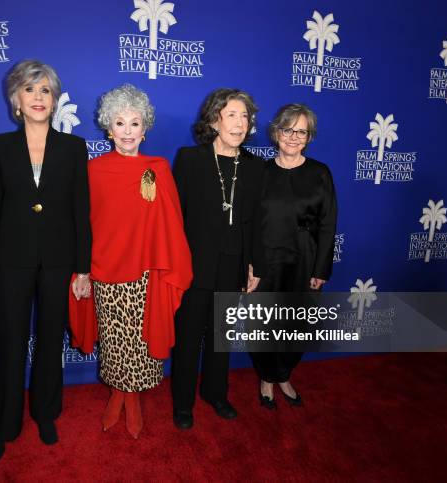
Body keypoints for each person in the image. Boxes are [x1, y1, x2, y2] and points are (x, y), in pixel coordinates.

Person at [0, 60, 91, 464]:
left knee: (48, 343)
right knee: (9, 344)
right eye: (30, 90)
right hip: (11, 261)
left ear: (55, 99)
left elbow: (82, 212)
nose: (38, 97)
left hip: (59, 262)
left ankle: (46, 413)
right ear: (16, 100)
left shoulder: (75, 148)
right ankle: (4, 425)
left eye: (45, 90)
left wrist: (83, 268)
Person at [68, 84, 192, 439]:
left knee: (139, 338)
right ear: (108, 129)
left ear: (144, 128)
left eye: (134, 123)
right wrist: (83, 270)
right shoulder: (93, 170)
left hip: (144, 270)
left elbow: (171, 224)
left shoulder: (159, 168)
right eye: (119, 123)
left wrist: (162, 263)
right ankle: (117, 396)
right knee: (113, 338)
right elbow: (83, 222)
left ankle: (131, 398)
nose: (126, 131)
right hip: (104, 268)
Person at [171, 88, 262, 429]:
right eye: (233, 115)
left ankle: (216, 393)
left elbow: (257, 222)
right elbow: (174, 217)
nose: (240, 123)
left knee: (222, 335)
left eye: (245, 116)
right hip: (194, 265)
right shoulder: (190, 160)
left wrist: (255, 265)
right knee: (189, 335)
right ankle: (183, 403)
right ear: (214, 120)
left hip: (234, 262)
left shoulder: (255, 167)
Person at [249, 103, 337, 409]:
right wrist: (251, 263)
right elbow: (250, 223)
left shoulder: (320, 173)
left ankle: (284, 374)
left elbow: (328, 225)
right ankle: (266, 377)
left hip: (305, 258)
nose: (294, 136)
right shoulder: (260, 172)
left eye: (302, 131)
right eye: (288, 129)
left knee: (298, 323)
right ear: (276, 132)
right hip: (266, 260)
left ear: (309, 136)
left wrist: (321, 268)